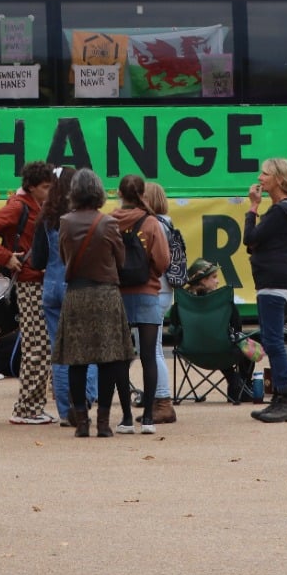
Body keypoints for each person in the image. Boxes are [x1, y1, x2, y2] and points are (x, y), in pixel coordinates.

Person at [54, 169, 137, 438]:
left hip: (76, 294)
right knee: (108, 360)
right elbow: (120, 260)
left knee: (76, 361)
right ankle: (103, 423)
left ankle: (81, 422)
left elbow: (64, 256)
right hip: (105, 295)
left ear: (74, 193)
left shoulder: (65, 222)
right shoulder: (108, 222)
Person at [0, 161, 55, 426]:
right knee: (36, 347)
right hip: (30, 283)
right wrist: (6, 258)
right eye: (45, 187)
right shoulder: (18, 206)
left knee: (39, 347)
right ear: (31, 187)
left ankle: (31, 406)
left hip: (36, 281)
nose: (49, 190)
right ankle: (25, 409)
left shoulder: (30, 205)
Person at [27, 167, 99, 423]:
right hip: (79, 286)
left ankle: (66, 412)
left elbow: (37, 261)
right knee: (86, 348)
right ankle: (84, 401)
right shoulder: (86, 218)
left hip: (52, 287)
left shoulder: (45, 218)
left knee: (60, 351)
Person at [245, 158, 287, 424]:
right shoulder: (282, 210)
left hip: (273, 282)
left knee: (273, 342)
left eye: (265, 174)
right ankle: (280, 397)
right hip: (271, 281)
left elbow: (250, 238)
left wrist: (252, 207)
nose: (260, 178)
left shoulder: (281, 210)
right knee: (272, 340)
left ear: (279, 180)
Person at [113, 174, 172, 432]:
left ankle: (126, 417)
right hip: (148, 292)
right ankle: (148, 417)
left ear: (118, 193)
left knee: (121, 358)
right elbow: (162, 261)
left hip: (118, 294)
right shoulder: (150, 222)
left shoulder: (109, 221)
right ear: (142, 194)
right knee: (149, 355)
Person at [170, 257, 262, 403]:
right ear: (202, 281)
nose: (217, 281)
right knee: (241, 343)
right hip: (223, 352)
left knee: (215, 343)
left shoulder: (182, 303)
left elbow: (173, 328)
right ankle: (241, 386)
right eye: (213, 277)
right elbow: (237, 327)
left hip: (190, 352)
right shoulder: (223, 302)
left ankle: (235, 383)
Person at [142, 180, 186, 425]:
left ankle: (162, 401)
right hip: (165, 291)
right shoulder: (168, 224)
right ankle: (158, 399)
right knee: (153, 348)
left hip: (154, 291)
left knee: (152, 350)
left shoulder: (154, 225)